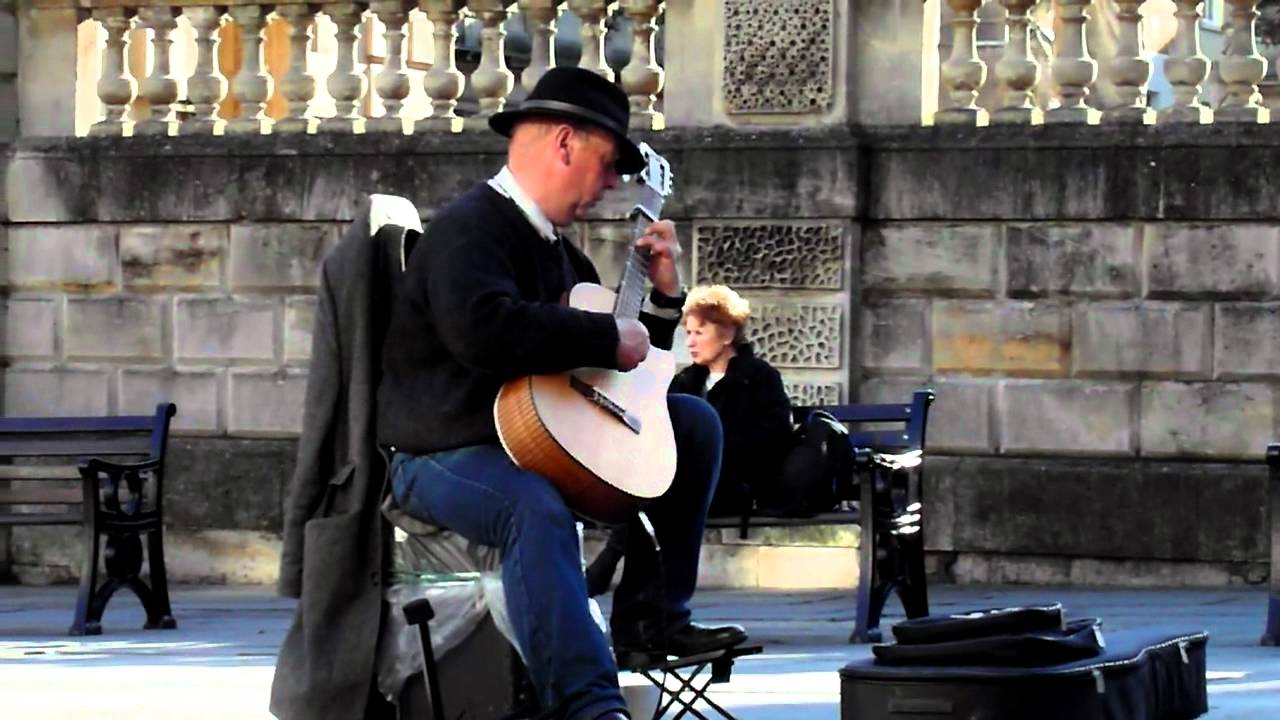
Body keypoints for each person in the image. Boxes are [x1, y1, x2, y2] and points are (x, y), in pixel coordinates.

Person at [376, 67, 746, 720]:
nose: (609, 185)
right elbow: (483, 331)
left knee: (693, 425)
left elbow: (631, 373)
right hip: (440, 451)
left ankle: (652, 622)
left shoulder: (563, 256)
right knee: (531, 507)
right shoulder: (470, 229)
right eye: (607, 165)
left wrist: (662, 298)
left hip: (537, 445)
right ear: (565, 143)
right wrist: (606, 338)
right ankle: (589, 707)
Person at [585, 285, 795, 597]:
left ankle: (608, 563)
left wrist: (715, 450)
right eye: (688, 332)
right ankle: (647, 602)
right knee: (652, 491)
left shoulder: (759, 377)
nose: (691, 342)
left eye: (700, 332)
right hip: (682, 478)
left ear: (727, 334)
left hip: (736, 484)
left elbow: (773, 438)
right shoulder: (686, 381)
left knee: (657, 495)